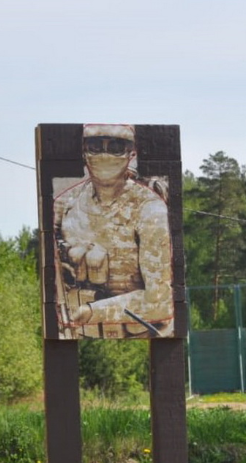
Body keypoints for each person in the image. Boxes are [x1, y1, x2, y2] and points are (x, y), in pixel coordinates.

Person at [53, 123, 174, 339]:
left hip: (140, 334)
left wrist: (92, 311)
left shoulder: (149, 209)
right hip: (74, 333)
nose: (105, 154)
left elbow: (160, 302)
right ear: (85, 152)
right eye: (95, 146)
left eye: (116, 146)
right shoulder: (66, 204)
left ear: (131, 154)